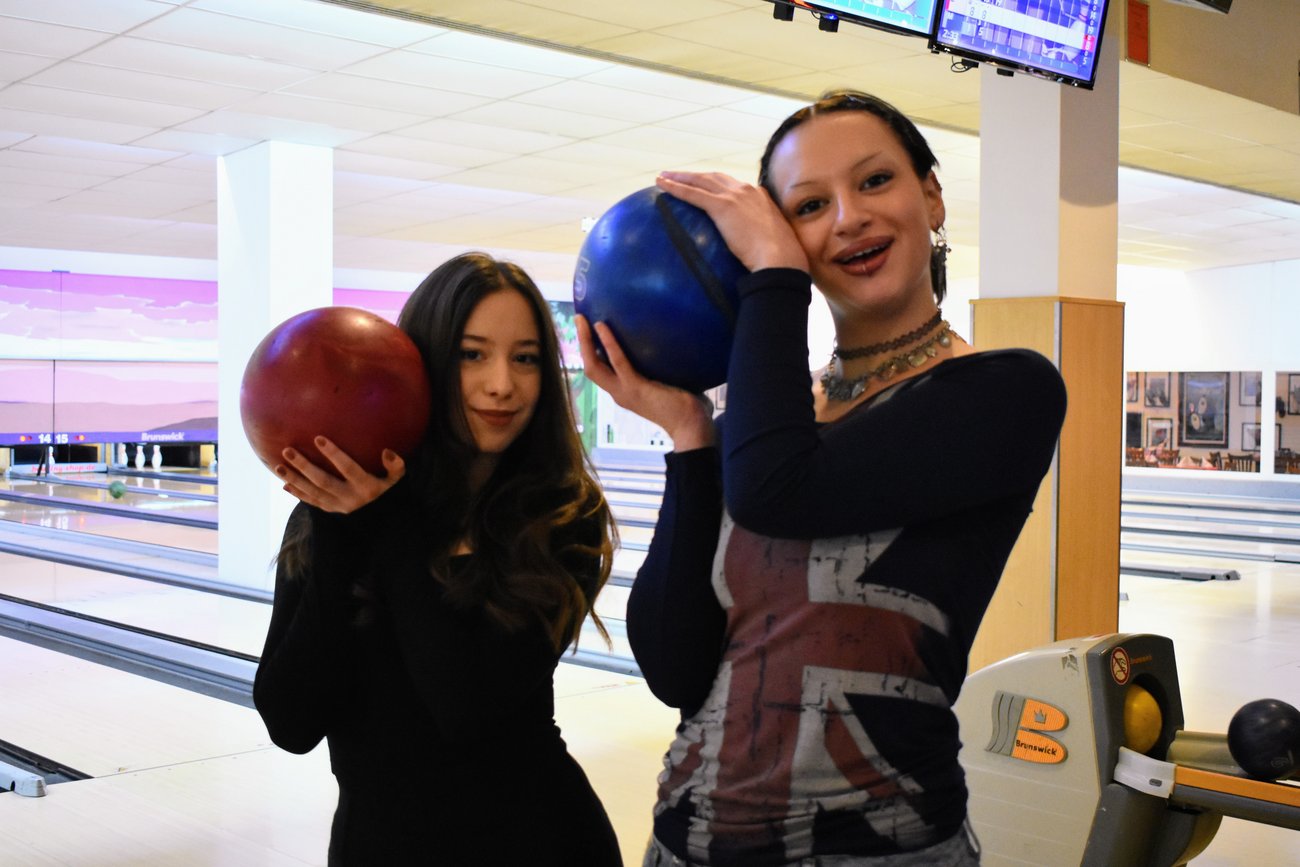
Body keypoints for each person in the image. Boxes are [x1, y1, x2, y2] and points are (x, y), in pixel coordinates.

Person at [577, 90, 1067, 866]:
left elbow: (783, 490)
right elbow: (674, 665)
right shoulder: (763, 426)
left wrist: (772, 275)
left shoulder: (1006, 391)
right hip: (687, 838)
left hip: (884, 850)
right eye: (808, 206)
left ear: (931, 196)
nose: (847, 218)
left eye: (875, 182)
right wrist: (688, 436)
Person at [253, 252, 624, 867]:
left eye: (525, 358)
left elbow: (466, 705)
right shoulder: (329, 520)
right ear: (417, 364)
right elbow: (291, 722)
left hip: (537, 845)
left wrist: (388, 523)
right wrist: (340, 530)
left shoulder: (561, 518)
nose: (501, 383)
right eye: (470, 354)